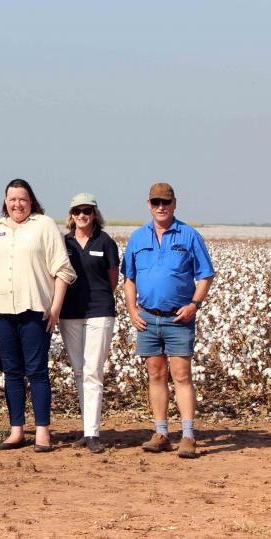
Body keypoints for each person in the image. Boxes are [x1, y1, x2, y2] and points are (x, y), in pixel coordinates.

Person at [0, 179, 76, 453]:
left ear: (31, 201)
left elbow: (62, 270)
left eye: (22, 199)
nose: (17, 204)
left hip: (36, 310)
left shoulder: (43, 225)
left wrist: (55, 308)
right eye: (12, 199)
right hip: (1, 312)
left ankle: (43, 432)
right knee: (11, 372)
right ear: (5, 201)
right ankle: (16, 430)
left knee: (37, 371)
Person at [122, 183, 214, 459]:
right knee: (156, 374)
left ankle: (188, 435)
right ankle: (161, 433)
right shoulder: (138, 238)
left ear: (174, 204)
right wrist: (132, 310)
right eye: (155, 202)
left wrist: (194, 305)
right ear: (148, 205)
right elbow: (129, 278)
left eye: (166, 202)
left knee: (182, 375)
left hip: (179, 317)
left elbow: (206, 275)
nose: (161, 207)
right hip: (148, 318)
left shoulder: (189, 235)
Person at [58, 193, 119, 454]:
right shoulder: (63, 242)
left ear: (95, 214)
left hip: (99, 312)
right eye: (77, 211)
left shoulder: (105, 242)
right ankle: (86, 429)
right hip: (69, 313)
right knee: (80, 371)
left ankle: (93, 433)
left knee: (94, 370)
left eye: (87, 210)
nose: (82, 215)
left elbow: (112, 279)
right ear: (71, 215)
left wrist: (98, 300)